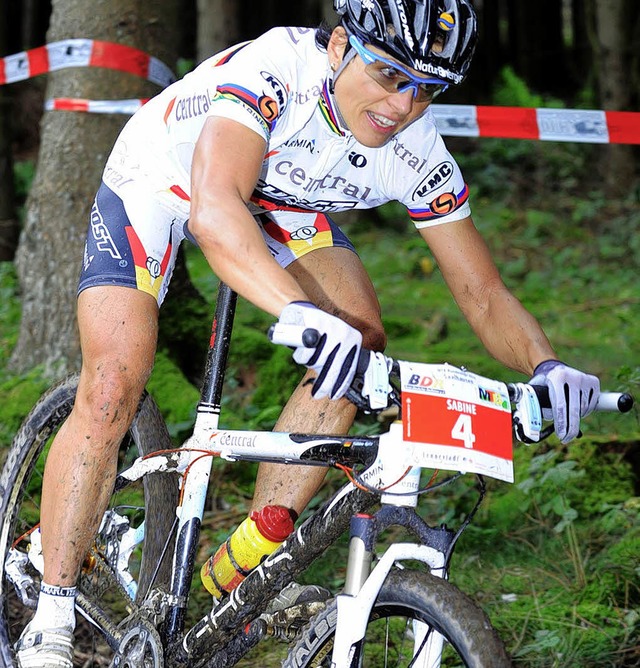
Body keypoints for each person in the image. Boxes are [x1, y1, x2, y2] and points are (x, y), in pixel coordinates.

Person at [16, 0, 601, 665]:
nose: (404, 105)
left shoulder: (415, 145)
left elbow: (484, 293)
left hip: (285, 205)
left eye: (427, 88)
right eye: (389, 76)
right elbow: (215, 211)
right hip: (170, 184)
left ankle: (249, 557)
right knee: (114, 382)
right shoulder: (275, 71)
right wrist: (298, 312)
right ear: (341, 46)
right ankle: (53, 612)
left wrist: (546, 366)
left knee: (359, 341)